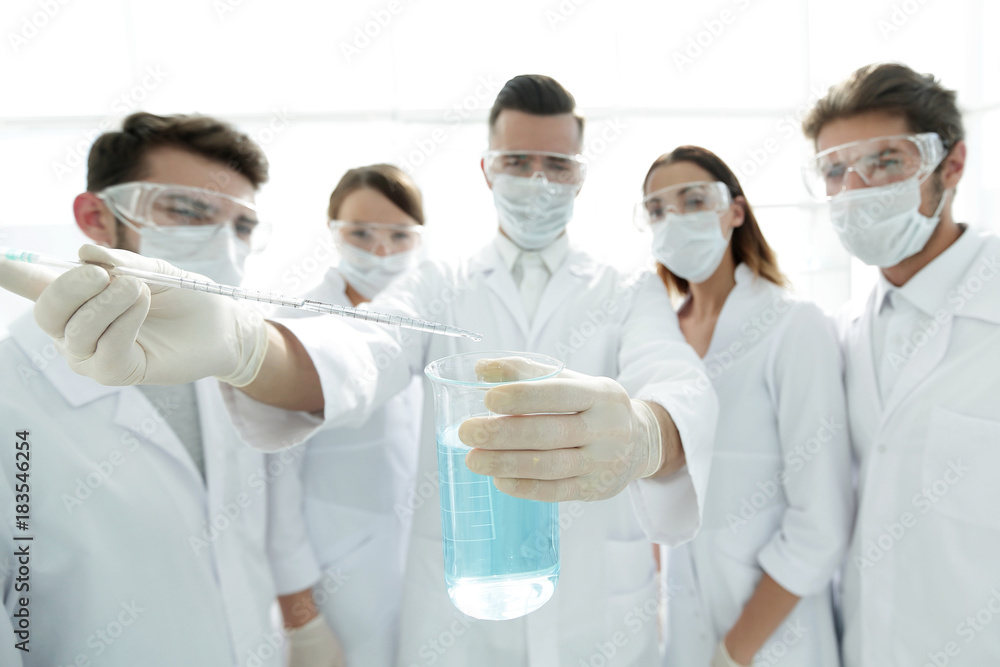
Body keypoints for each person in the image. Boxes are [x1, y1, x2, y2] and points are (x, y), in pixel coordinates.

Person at [0, 75, 718, 666]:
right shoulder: (440, 281)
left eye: (557, 165)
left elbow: (678, 379)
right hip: (457, 629)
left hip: (602, 622)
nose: (537, 181)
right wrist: (244, 347)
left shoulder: (625, 290)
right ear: (487, 168)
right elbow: (357, 351)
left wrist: (648, 433)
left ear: (581, 176)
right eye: (517, 163)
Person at [0, 112, 319, 666]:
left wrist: (305, 635)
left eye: (241, 227)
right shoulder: (12, 397)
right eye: (188, 211)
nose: (223, 243)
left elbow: (266, 536)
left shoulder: (232, 364)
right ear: (97, 217)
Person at [800, 62, 1000, 666]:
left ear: (952, 165)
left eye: (887, 161)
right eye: (835, 170)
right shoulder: (845, 330)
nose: (856, 188)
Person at [635, 146, 853, 666]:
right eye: (658, 209)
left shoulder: (792, 325)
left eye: (693, 200)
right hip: (683, 634)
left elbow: (820, 522)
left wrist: (734, 653)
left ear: (735, 210)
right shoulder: (655, 339)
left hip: (777, 641)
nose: (676, 218)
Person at [269, 164, 425, 666]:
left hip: (417, 565)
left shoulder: (426, 324)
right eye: (360, 233)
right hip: (332, 572)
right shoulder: (297, 324)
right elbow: (276, 479)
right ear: (333, 232)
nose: (380, 250)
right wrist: (301, 615)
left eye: (399, 235)